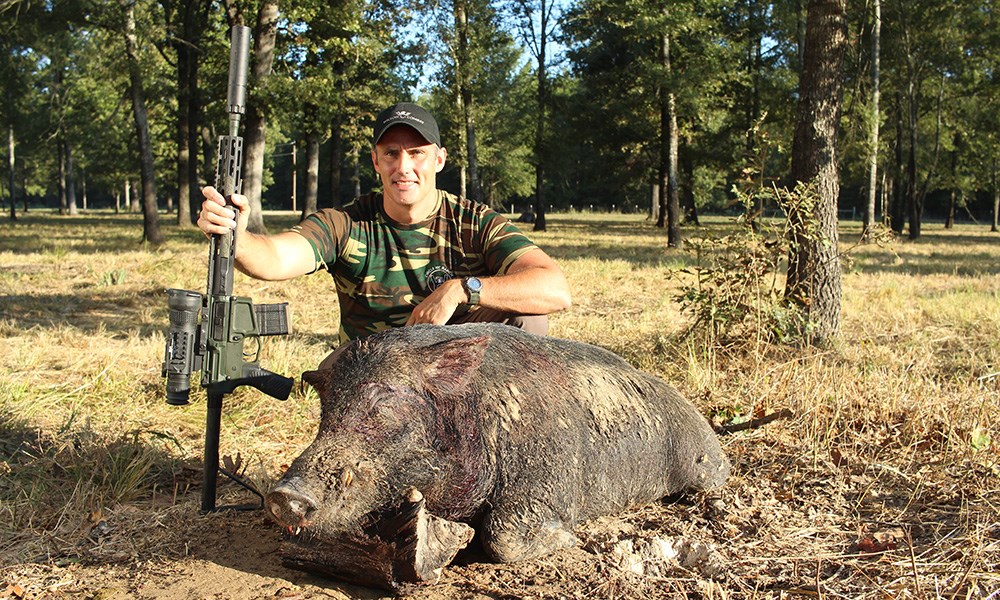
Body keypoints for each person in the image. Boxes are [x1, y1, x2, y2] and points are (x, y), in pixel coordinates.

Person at [197, 102, 571, 366]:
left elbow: (554, 289)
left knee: (528, 319)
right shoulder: (346, 223)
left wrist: (458, 289)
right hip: (374, 371)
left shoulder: (474, 221)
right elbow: (275, 258)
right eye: (391, 153)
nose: (403, 167)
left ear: (439, 159)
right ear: (376, 160)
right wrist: (237, 235)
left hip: (457, 366)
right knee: (337, 371)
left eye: (417, 153)